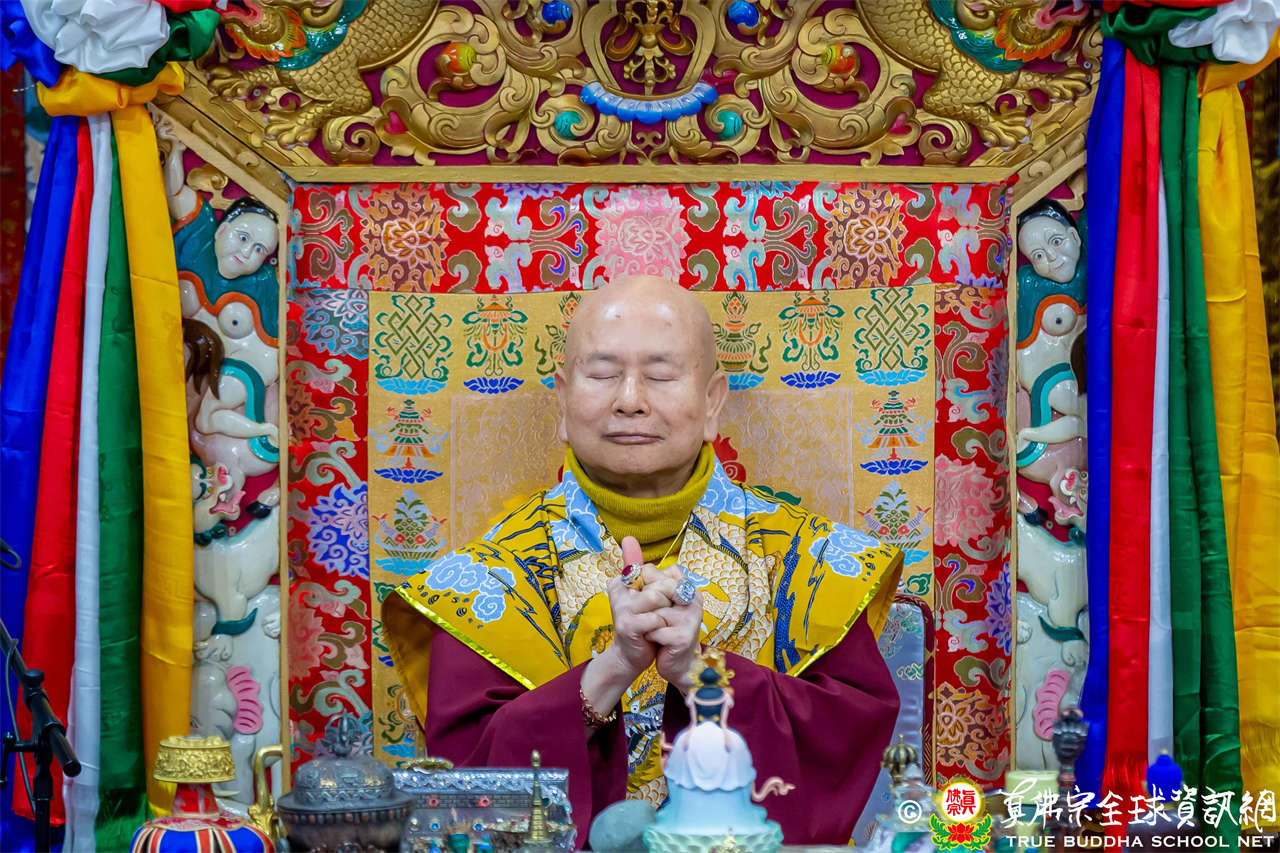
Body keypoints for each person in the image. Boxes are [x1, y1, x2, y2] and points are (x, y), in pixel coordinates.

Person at [384, 275, 903, 845]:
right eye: (603, 373)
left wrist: (699, 674)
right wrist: (609, 672)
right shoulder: (484, 582)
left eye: (659, 375)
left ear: (712, 401)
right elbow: (469, 796)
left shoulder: (809, 562)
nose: (629, 399)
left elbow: (842, 750)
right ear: (562, 400)